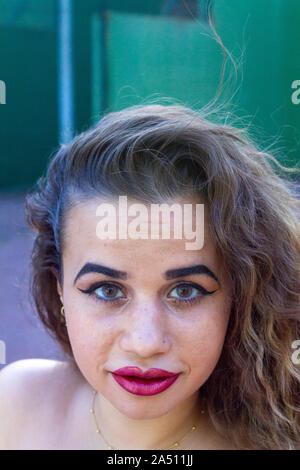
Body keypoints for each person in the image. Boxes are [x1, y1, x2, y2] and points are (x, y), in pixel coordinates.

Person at [0, 103, 299, 450]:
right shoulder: (14, 406)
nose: (145, 343)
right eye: (107, 290)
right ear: (61, 290)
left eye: (185, 291)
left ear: (239, 295)